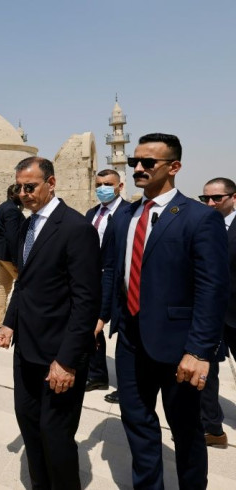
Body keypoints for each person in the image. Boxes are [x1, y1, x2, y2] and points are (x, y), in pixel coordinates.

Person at [100, 134, 228, 489]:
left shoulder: (199, 218)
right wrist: (103, 315)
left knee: (186, 430)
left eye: (148, 163)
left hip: (178, 348)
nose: (138, 168)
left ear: (174, 167)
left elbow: (211, 288)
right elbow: (113, 269)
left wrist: (200, 351)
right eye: (134, 162)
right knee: (138, 423)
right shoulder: (124, 215)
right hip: (130, 342)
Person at [0, 157, 100, 490]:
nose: (24, 194)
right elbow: (24, 282)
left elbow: (86, 302)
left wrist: (67, 362)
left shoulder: (75, 228)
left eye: (31, 187)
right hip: (26, 351)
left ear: (51, 183)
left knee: (56, 437)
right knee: (30, 427)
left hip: (59, 357)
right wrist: (10, 322)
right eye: (19, 188)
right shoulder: (27, 226)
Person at [84, 169, 131, 404]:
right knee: (93, 329)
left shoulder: (129, 213)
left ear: (120, 186)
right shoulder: (91, 213)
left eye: (108, 184)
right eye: (99, 184)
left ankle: (129, 388)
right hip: (92, 279)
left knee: (126, 336)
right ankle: (97, 374)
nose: (102, 188)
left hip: (120, 283)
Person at [197, 177, 236, 448]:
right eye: (205, 199)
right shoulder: (202, 225)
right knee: (206, 372)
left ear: (233, 197)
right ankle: (212, 428)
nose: (210, 203)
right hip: (210, 314)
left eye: (216, 198)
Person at [0, 184, 23, 329]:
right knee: (25, 284)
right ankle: (19, 319)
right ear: (12, 195)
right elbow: (12, 237)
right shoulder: (12, 210)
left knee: (4, 287)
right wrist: (17, 261)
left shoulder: (2, 207)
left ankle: (0, 320)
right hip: (8, 256)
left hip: (0, 254)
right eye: (20, 194)